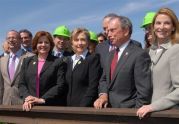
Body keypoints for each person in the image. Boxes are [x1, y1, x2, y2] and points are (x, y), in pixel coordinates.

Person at [94, 16, 152, 109]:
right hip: (108, 110)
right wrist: (103, 95)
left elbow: (144, 92)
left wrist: (134, 114)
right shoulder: (110, 55)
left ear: (126, 31)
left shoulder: (139, 54)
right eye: (108, 31)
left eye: (112, 30)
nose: (108, 34)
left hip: (128, 113)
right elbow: (104, 79)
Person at [137, 8, 179, 118]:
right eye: (158, 23)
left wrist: (153, 106)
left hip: (166, 114)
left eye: (167, 23)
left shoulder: (176, 49)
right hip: (145, 113)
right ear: (153, 26)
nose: (161, 27)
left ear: (173, 27)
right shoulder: (150, 51)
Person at [19, 31, 66, 111]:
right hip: (29, 106)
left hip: (50, 106)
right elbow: (21, 84)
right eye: (40, 42)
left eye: (46, 42)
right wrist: (27, 98)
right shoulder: (26, 61)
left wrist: (42, 99)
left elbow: (60, 85)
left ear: (50, 45)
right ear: (35, 44)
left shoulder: (58, 61)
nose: (43, 45)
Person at [65, 28, 100, 107]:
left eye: (83, 40)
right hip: (67, 108)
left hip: (84, 109)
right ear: (72, 42)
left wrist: (81, 108)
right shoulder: (68, 60)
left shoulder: (93, 59)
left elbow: (93, 87)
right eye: (76, 40)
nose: (79, 43)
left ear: (88, 42)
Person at [0, 30, 33, 105]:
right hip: (6, 103)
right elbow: (1, 85)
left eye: (14, 38)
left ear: (20, 40)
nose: (11, 40)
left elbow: (32, 83)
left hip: (25, 103)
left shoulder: (31, 57)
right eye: (8, 38)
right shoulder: (2, 60)